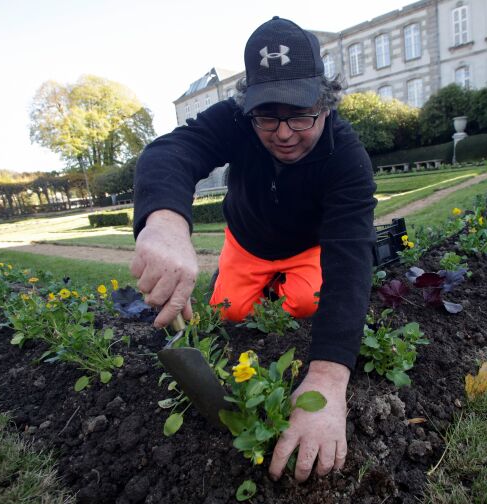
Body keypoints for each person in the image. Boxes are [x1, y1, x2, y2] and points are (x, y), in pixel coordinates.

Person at [131, 16, 376, 482]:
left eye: (301, 115)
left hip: (305, 248)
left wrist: (326, 379)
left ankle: (283, 285)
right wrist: (163, 222)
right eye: (267, 116)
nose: (283, 133)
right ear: (248, 108)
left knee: (306, 302)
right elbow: (170, 152)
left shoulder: (348, 158)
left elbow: (349, 263)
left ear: (327, 103)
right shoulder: (236, 122)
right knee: (227, 312)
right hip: (246, 242)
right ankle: (258, 285)